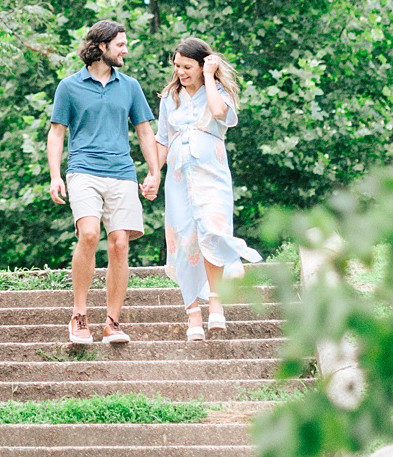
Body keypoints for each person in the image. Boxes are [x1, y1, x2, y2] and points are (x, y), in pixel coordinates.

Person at [46, 20, 163, 348]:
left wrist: (154, 171)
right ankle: (79, 315)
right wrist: (55, 175)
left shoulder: (130, 86)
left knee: (120, 243)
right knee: (88, 234)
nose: (126, 50)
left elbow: (144, 132)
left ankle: (112, 322)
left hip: (122, 172)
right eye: (121, 44)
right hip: (83, 170)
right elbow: (57, 134)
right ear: (101, 47)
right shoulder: (68, 87)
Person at [160, 36, 263, 341]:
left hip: (212, 175)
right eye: (177, 66)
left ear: (202, 64)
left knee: (212, 232)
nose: (180, 71)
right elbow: (163, 138)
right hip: (178, 179)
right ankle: (192, 313)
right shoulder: (170, 97)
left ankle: (215, 302)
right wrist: (153, 173)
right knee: (184, 239)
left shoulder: (217, 92)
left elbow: (220, 114)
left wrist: (208, 76)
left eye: (187, 66)